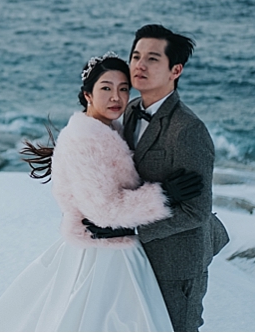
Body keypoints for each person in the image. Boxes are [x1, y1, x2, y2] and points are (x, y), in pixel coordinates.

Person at [0, 53, 203, 332]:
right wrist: (163, 195)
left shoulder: (108, 130)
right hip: (102, 255)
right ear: (88, 95)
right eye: (106, 88)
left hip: (109, 245)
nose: (116, 97)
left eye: (123, 89)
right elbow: (105, 210)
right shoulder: (86, 139)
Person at [86, 25, 229, 332]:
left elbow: (196, 211)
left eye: (152, 59)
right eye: (135, 56)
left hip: (176, 261)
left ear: (175, 70)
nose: (139, 65)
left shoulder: (188, 131)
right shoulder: (132, 109)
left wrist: (133, 227)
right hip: (135, 258)